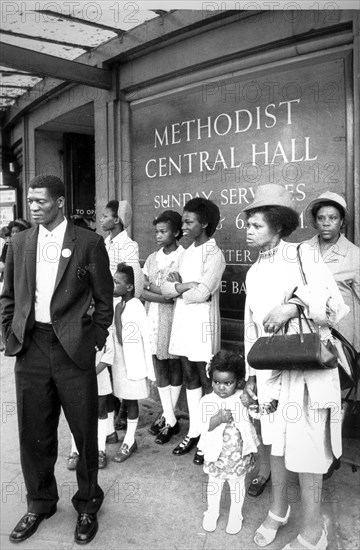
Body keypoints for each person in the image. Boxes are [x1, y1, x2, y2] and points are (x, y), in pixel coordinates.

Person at [0, 175, 114, 545]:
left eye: (41, 201)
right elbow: (8, 296)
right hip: (31, 347)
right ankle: (41, 501)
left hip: (73, 350)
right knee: (34, 431)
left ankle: (86, 505)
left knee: (84, 431)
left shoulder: (89, 242)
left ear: (60, 202)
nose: (33, 207)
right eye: (30, 201)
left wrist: (94, 339)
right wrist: (10, 334)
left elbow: (104, 299)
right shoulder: (19, 243)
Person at [241, 184, 349, 550]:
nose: (249, 231)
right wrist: (250, 376)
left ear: (276, 225)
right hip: (271, 373)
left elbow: (335, 306)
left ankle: (314, 530)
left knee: (306, 450)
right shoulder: (253, 272)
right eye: (248, 224)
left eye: (256, 224)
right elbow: (250, 329)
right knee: (276, 445)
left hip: (307, 371)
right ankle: (278, 510)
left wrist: (295, 305)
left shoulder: (303, 255)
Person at [162, 198, 226, 464]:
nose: (184, 226)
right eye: (184, 221)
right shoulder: (186, 251)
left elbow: (202, 294)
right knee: (189, 375)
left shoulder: (215, 254)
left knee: (207, 377)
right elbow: (167, 287)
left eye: (189, 222)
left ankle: (210, 437)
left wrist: (182, 288)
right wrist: (185, 286)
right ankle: (195, 431)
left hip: (202, 325)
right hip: (183, 321)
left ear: (205, 223)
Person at [198, 350, 258, 535]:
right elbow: (201, 427)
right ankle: (212, 512)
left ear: (238, 381)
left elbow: (257, 415)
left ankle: (235, 514)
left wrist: (252, 403)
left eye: (227, 383)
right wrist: (217, 418)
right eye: (217, 382)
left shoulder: (242, 398)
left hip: (238, 456)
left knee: (237, 485)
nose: (221, 388)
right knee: (214, 484)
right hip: (216, 456)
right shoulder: (207, 401)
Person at [100, 199, 144, 431]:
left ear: (116, 219)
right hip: (105, 305)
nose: (102, 219)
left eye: (106, 215)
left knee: (123, 357)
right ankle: (115, 405)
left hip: (120, 307)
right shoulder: (105, 242)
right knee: (110, 357)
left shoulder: (129, 245)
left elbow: (132, 281)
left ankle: (127, 406)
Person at [142, 210, 184, 444]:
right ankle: (170, 418)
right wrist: (163, 294)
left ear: (176, 232)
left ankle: (169, 418)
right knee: (159, 365)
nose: (158, 235)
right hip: (154, 318)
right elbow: (141, 289)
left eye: (164, 231)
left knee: (173, 364)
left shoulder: (182, 257)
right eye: (156, 231)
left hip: (174, 318)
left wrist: (156, 292)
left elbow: (175, 294)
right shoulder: (151, 258)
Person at [109, 263, 155, 463]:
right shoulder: (118, 304)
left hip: (133, 361)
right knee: (124, 398)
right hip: (120, 360)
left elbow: (140, 337)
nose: (113, 285)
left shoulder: (136, 306)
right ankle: (123, 432)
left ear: (128, 287)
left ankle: (129, 440)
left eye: (116, 282)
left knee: (132, 400)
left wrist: (147, 369)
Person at [305, 191, 360, 351]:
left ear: (341, 221)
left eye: (333, 218)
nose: (326, 223)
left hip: (341, 335)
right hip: (308, 331)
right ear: (315, 222)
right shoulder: (303, 250)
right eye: (321, 218)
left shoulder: (354, 255)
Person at [67, 341, 115, 471]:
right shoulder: (74, 326)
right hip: (77, 376)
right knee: (76, 412)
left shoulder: (105, 328)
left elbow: (109, 353)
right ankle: (75, 450)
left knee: (101, 410)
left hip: (99, 375)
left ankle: (100, 450)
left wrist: (92, 373)